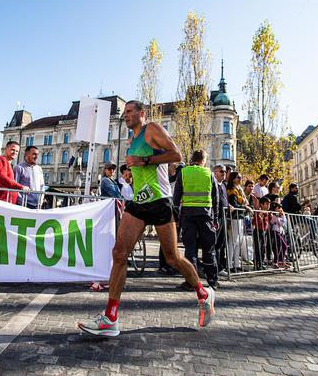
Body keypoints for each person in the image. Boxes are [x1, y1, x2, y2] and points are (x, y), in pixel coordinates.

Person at [77, 100, 215, 337]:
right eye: (124, 113)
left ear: (141, 113)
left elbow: (177, 155)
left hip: (160, 201)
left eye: (129, 111)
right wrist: (134, 174)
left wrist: (145, 161)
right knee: (119, 253)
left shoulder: (152, 129)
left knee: (173, 258)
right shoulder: (131, 141)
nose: (125, 115)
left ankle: (203, 293)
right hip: (140, 202)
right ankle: (111, 318)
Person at [174, 150, 220, 289]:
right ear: (203, 160)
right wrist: (216, 218)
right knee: (209, 249)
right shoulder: (209, 174)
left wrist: (176, 216)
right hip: (206, 215)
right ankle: (212, 281)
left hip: (188, 215)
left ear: (192, 159)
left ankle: (191, 282)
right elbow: (215, 198)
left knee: (190, 249)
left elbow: (177, 197)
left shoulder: (183, 172)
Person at [212, 164, 229, 276]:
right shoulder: (213, 184)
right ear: (215, 172)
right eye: (221, 171)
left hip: (224, 216)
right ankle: (213, 267)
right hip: (216, 216)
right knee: (215, 243)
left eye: (224, 172)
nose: (224, 174)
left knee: (221, 243)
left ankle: (219, 266)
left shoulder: (223, 185)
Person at [253, 197, 271, 270]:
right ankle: (257, 263)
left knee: (263, 247)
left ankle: (261, 262)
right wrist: (259, 218)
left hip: (264, 231)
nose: (268, 206)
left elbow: (269, 220)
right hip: (258, 230)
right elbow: (254, 222)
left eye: (269, 204)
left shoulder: (268, 213)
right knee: (258, 248)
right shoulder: (258, 212)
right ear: (261, 204)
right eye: (266, 204)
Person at [269, 203, 289, 268]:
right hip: (275, 231)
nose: (280, 209)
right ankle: (276, 261)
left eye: (281, 208)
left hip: (280, 231)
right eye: (278, 208)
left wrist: (283, 216)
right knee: (281, 246)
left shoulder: (280, 215)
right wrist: (279, 216)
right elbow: (277, 223)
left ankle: (280, 261)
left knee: (281, 246)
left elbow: (284, 223)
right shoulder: (273, 215)